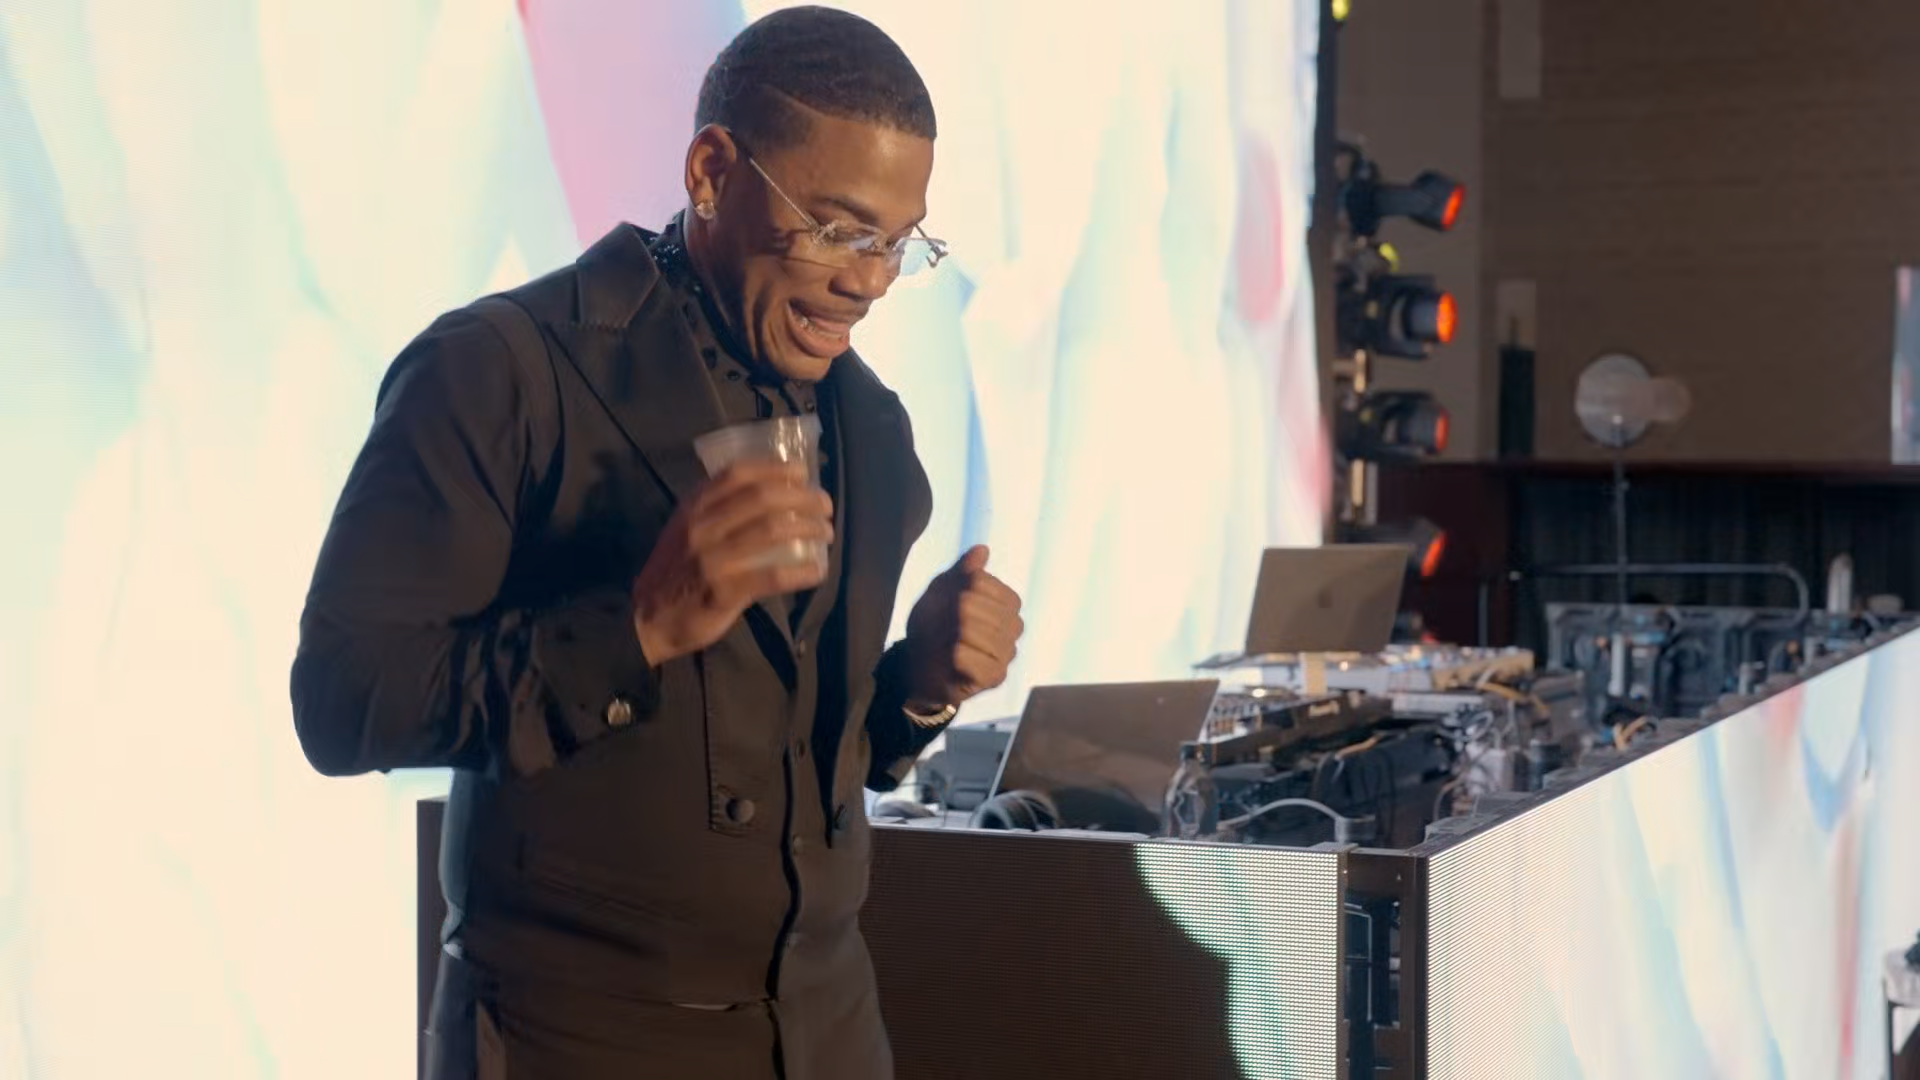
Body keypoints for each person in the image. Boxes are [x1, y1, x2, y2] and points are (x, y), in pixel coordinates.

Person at [289, 8, 1023, 1078]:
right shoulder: (498, 370)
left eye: (896, 244)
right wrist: (636, 628)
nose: (869, 281)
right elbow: (343, 700)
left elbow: (813, 768)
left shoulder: (874, 430)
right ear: (712, 172)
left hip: (828, 1037)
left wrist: (920, 687)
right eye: (837, 231)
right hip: (575, 1041)